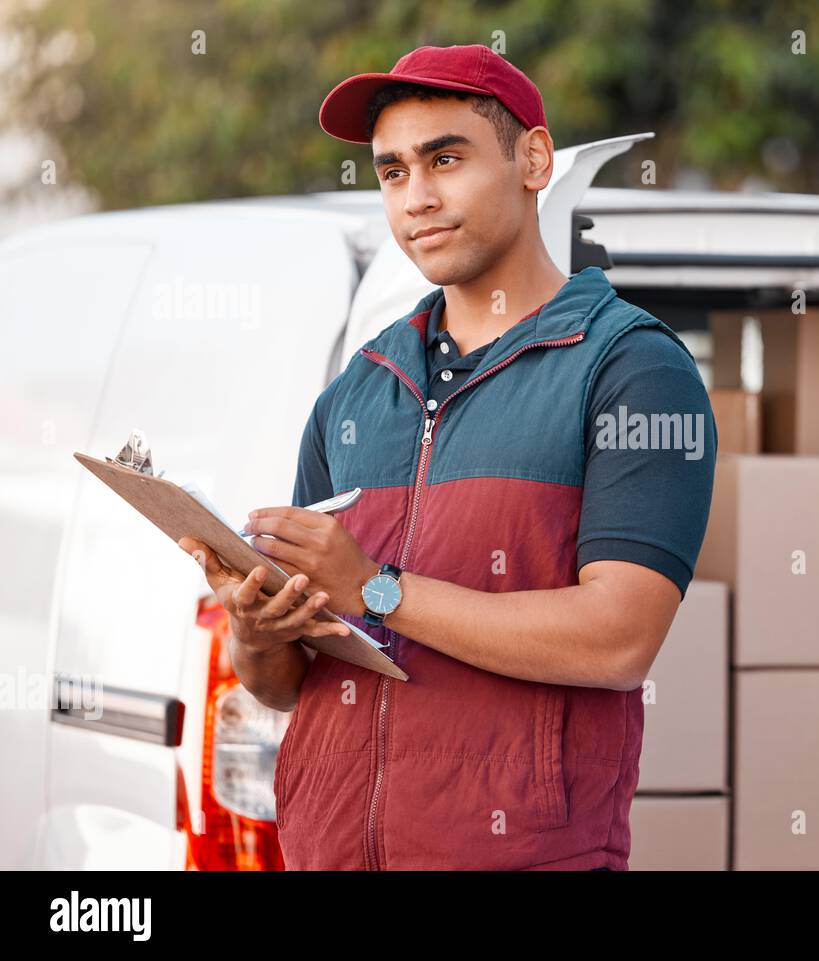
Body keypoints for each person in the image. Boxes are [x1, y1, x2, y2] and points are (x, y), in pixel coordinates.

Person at [179, 43, 716, 870]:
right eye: (392, 172)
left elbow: (618, 640)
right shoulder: (357, 393)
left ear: (534, 160)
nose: (417, 198)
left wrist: (375, 588)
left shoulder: (632, 369)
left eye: (446, 158)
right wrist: (257, 628)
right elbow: (289, 682)